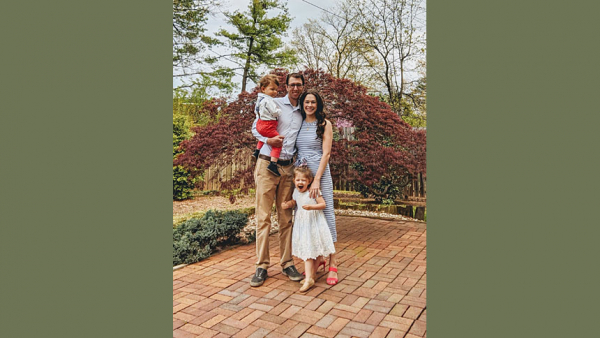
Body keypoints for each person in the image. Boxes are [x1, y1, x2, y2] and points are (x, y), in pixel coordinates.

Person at [249, 72, 306, 287]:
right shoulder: (273, 103)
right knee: (263, 217)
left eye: (299, 85)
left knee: (286, 217)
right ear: (287, 86)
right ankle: (261, 265)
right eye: (292, 84)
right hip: (266, 165)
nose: (295, 88)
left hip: (288, 168)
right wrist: (267, 139)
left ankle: (287, 262)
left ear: (302, 87)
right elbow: (255, 127)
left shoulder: (303, 112)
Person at [295, 90, 340, 285]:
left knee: (326, 215)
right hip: (302, 177)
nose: (310, 105)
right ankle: (317, 259)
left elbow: (326, 154)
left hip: (319, 175)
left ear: (318, 104)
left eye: (313, 102)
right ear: (302, 104)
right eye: (306, 102)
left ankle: (333, 263)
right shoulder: (299, 122)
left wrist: (317, 179)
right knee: (308, 216)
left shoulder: (325, 124)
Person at [281, 165, 335, 292]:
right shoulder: (295, 191)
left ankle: (309, 279)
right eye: (298, 180)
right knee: (309, 247)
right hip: (302, 224)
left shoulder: (313, 192)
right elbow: (295, 201)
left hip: (314, 223)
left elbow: (323, 204)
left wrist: (312, 208)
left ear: (309, 181)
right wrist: (288, 204)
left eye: (303, 180)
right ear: (294, 181)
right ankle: (314, 271)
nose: (300, 182)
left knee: (308, 250)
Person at [252, 74, 283, 176]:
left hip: (260, 123)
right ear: (263, 89)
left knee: (264, 136)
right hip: (268, 124)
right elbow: (274, 112)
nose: (275, 92)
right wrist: (279, 110)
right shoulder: (268, 100)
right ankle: (273, 163)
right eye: (272, 89)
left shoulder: (259, 100)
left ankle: (257, 151)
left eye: (276, 90)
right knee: (278, 142)